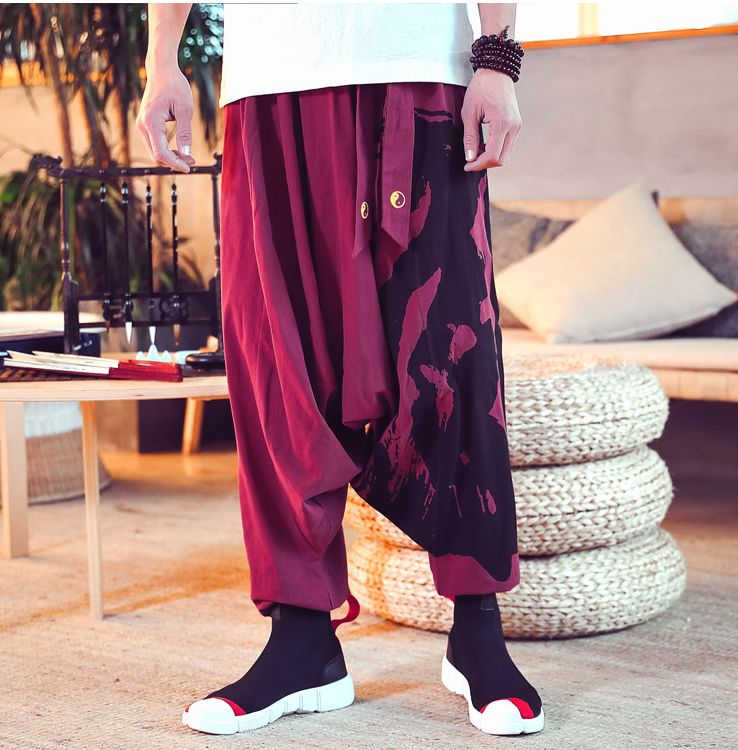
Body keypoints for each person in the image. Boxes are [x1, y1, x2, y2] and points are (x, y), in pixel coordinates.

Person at [137, 2, 543, 737]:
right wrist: (161, 58)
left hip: (418, 64)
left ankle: (477, 627)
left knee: (450, 350)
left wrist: (497, 59)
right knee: (278, 360)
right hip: (269, 80)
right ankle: (303, 643)